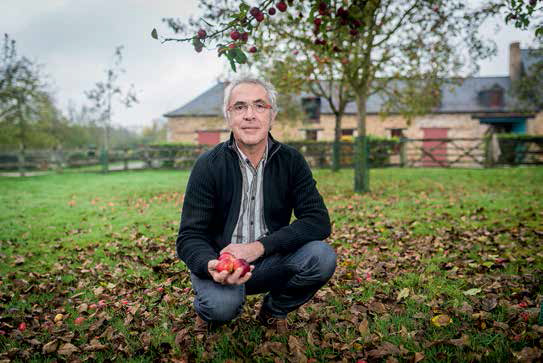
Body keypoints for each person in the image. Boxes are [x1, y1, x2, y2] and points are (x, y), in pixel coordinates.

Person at [176, 76, 336, 334]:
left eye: (260, 106)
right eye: (240, 107)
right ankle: (209, 311)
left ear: (272, 115)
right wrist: (210, 265)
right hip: (221, 266)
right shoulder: (208, 165)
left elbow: (317, 220)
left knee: (322, 256)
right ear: (228, 116)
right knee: (221, 308)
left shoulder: (291, 161)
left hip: (269, 260)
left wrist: (259, 247)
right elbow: (189, 236)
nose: (250, 115)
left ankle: (274, 310)